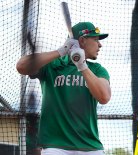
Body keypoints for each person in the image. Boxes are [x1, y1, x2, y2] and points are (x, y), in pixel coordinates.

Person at [16, 22, 111, 155]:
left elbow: (104, 97)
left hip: (90, 147)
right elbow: (21, 66)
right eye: (95, 40)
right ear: (82, 40)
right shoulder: (52, 65)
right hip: (55, 146)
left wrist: (82, 65)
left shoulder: (97, 69)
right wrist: (61, 51)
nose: (100, 45)